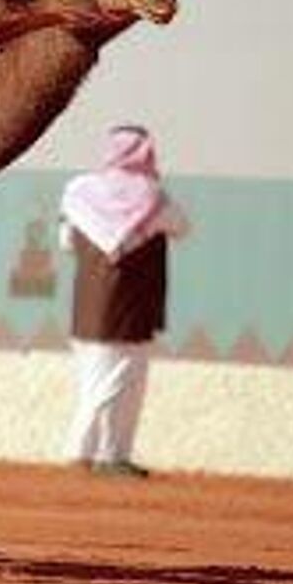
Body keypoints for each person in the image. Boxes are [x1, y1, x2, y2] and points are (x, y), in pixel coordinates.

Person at [60, 124, 189, 478]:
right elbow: (182, 226)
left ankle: (105, 454)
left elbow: (66, 241)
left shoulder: (80, 193)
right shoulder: (152, 197)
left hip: (86, 306)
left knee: (96, 380)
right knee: (120, 384)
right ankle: (89, 452)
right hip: (131, 307)